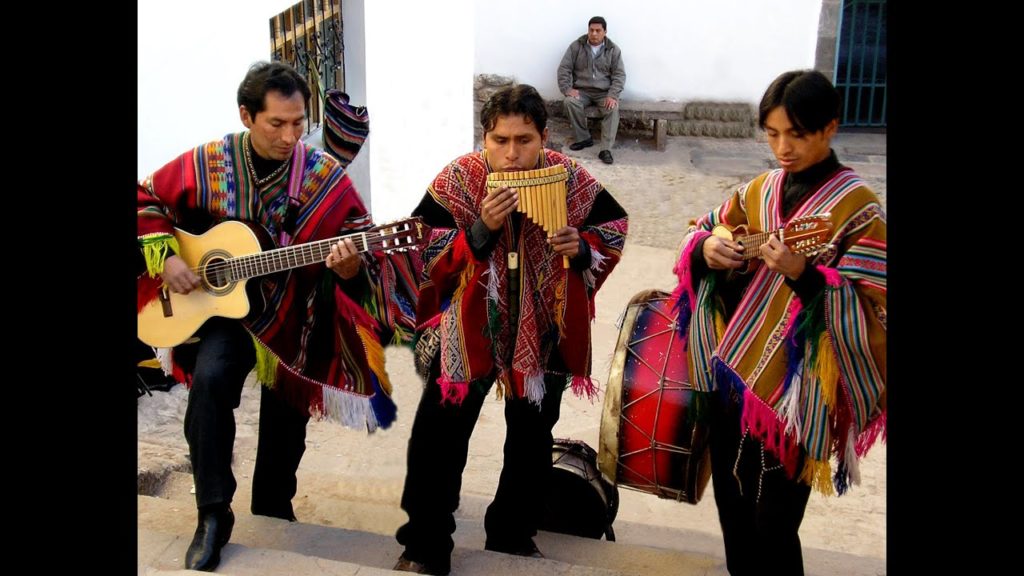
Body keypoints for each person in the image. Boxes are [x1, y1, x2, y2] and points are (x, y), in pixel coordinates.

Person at [137, 61, 412, 572]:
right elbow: (145, 196)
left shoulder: (321, 174)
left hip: (296, 311)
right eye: (276, 124)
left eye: (298, 123)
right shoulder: (208, 162)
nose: (290, 136)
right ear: (246, 115)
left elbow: (360, 236)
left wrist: (351, 265)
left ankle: (273, 504)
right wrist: (170, 256)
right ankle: (213, 514)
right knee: (210, 386)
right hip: (230, 313)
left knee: (288, 410)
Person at [392, 84, 628, 575]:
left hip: (543, 329)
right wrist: (479, 233)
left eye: (525, 141)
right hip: (468, 325)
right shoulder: (459, 179)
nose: (513, 155)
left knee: (532, 436)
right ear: (485, 139)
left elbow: (612, 229)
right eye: (500, 141)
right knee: (439, 434)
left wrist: (579, 249)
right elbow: (423, 253)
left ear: (545, 138)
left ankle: (513, 534)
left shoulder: (569, 179)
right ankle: (425, 541)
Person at [668, 69, 886, 575]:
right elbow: (700, 230)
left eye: (797, 134)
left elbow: (875, 312)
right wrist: (709, 248)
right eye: (772, 133)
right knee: (733, 511)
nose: (783, 147)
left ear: (829, 128)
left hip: (800, 393)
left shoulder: (858, 210)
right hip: (732, 378)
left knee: (776, 523)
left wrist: (807, 277)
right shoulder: (760, 190)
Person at [557, 15, 626, 165]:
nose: (594, 33)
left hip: (604, 93)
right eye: (591, 30)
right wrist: (567, 89)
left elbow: (619, 75)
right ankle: (583, 139)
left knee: (613, 109)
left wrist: (613, 95)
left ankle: (605, 149)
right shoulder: (576, 46)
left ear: (605, 32)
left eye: (598, 30)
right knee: (569, 102)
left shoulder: (613, 50)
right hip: (583, 91)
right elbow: (564, 68)